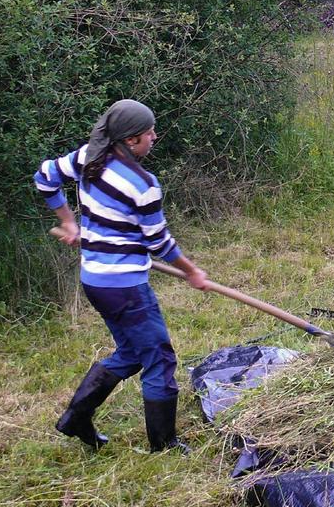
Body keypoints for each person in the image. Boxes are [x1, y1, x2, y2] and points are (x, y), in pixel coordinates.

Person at [34, 99, 210, 452]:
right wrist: (192, 272)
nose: (154, 137)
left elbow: (45, 177)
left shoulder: (87, 157)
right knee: (159, 357)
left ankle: (76, 418)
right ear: (131, 140)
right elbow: (158, 241)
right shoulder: (143, 184)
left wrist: (69, 221)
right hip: (125, 287)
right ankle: (164, 444)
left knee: (132, 351)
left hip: (95, 281)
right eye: (149, 133)